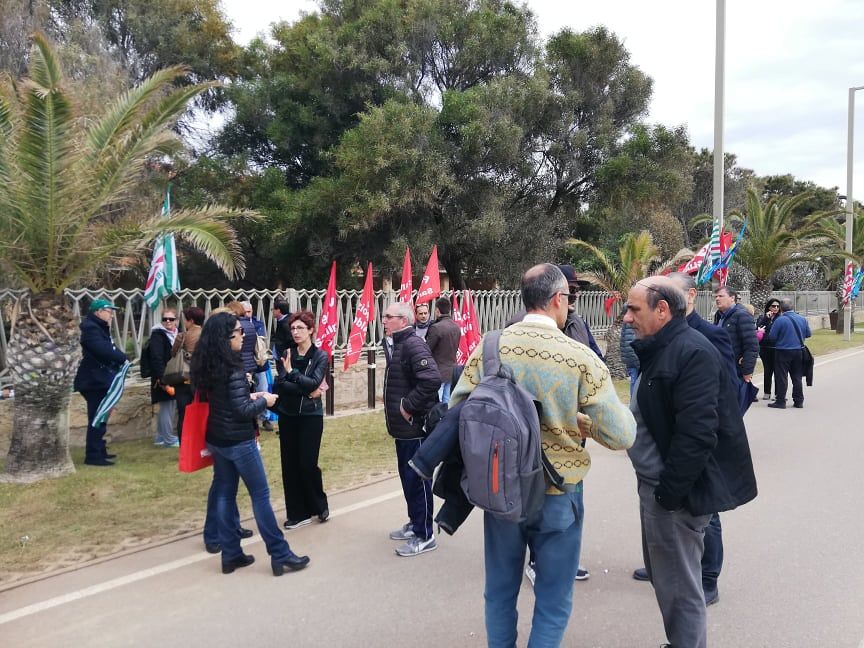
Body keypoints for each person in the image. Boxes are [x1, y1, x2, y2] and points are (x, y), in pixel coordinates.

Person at [450, 264, 636, 647]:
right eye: (569, 297)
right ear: (558, 300)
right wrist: (581, 423)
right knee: (553, 600)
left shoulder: (488, 347)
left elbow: (460, 409)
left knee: (499, 592)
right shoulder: (579, 357)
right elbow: (622, 435)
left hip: (500, 490)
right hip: (558, 493)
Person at [623, 276, 757, 648]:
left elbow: (697, 434)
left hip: (675, 498)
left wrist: (668, 496)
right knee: (668, 584)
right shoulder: (662, 348)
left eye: (634, 309)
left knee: (681, 592)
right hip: (659, 490)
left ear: (662, 310)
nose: (626, 318)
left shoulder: (691, 351)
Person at [190, 312, 310, 576]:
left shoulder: (209, 363)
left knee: (223, 492)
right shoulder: (231, 369)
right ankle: (280, 553)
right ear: (225, 338)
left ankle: (231, 554)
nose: (243, 335)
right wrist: (264, 401)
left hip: (218, 438)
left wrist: (250, 393)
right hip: (238, 440)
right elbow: (243, 410)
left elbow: (229, 401)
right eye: (238, 332)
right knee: (260, 496)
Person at [383, 301, 442, 557]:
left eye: (388, 317)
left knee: (417, 481)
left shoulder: (413, 344)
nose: (383, 320)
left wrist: (407, 406)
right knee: (407, 479)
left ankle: (425, 534)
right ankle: (414, 522)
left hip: (415, 428)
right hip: (402, 430)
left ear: (403, 321)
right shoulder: (398, 344)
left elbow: (432, 379)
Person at [272, 310, 330, 529]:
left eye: (300, 328)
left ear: (311, 330)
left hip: (310, 415)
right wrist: (304, 387)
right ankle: (297, 513)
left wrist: (293, 375)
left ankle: (318, 504)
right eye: (293, 328)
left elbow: (315, 382)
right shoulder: (286, 353)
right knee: (289, 465)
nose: (295, 332)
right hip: (288, 415)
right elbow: (281, 385)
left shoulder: (320, 355)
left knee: (307, 463)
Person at [73, 299, 128, 466]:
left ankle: (100, 450)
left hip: (100, 379)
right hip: (93, 380)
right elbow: (102, 349)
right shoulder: (90, 328)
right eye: (108, 311)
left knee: (101, 417)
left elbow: (110, 347)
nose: (111, 314)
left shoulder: (98, 327)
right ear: (98, 312)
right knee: (97, 418)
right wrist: (122, 358)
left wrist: (122, 357)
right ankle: (93, 455)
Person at [766, 298, 812, 409]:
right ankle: (798, 401)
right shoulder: (802, 319)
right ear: (793, 307)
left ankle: (781, 401)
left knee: (781, 376)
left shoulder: (780, 320)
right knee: (797, 377)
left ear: (781, 308)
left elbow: (772, 337)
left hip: (782, 351)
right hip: (798, 351)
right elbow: (808, 334)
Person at [713, 286, 759, 386]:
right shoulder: (719, 315)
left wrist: (747, 371)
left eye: (721, 296)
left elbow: (752, 345)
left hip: (735, 370)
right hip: (720, 367)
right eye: (716, 296)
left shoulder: (742, 315)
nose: (717, 299)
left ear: (732, 298)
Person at [148, 308, 179, 448]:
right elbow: (156, 358)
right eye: (165, 319)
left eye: (171, 319)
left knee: (169, 406)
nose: (168, 321)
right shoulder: (157, 336)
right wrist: (162, 379)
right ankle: (169, 439)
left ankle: (160, 437)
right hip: (162, 376)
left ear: (176, 321)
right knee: (167, 406)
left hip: (172, 374)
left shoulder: (176, 334)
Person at [174, 307, 205, 440]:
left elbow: (173, 354)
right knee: (203, 411)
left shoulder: (182, 336)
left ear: (191, 321)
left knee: (183, 414)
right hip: (202, 378)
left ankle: (184, 444)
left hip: (184, 377)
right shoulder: (206, 335)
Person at [425, 296, 461, 404]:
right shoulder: (456, 327)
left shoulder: (436, 328)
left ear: (437, 310)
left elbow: (427, 350)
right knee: (447, 402)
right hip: (452, 371)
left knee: (437, 403)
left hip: (438, 371)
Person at [756, 298, 781, 401]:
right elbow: (758, 328)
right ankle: (767, 392)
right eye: (773, 306)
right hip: (765, 348)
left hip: (777, 348)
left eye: (777, 306)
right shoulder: (763, 317)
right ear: (769, 307)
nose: (775, 308)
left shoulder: (781, 318)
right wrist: (766, 319)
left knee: (777, 371)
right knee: (767, 370)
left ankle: (777, 393)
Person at [271, 299, 295, 378]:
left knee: (284, 377)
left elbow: (292, 341)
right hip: (281, 356)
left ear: (278, 310)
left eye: (273, 309)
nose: (272, 311)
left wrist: (286, 354)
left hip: (284, 358)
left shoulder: (286, 324)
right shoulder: (283, 320)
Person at [620, 322, 640, 396]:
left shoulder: (627, 321)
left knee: (634, 380)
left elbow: (622, 339)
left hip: (629, 355)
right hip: (637, 353)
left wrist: (624, 356)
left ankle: (633, 402)